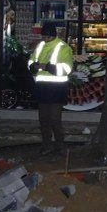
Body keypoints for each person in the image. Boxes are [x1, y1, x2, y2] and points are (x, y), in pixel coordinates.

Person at [27, 21, 73, 153]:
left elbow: (66, 69)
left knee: (54, 119)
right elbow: (31, 61)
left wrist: (45, 66)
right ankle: (47, 145)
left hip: (57, 89)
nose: (45, 39)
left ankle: (59, 145)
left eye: (47, 37)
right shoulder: (40, 46)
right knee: (43, 119)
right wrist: (33, 67)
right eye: (44, 37)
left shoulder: (64, 48)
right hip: (42, 88)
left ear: (53, 35)